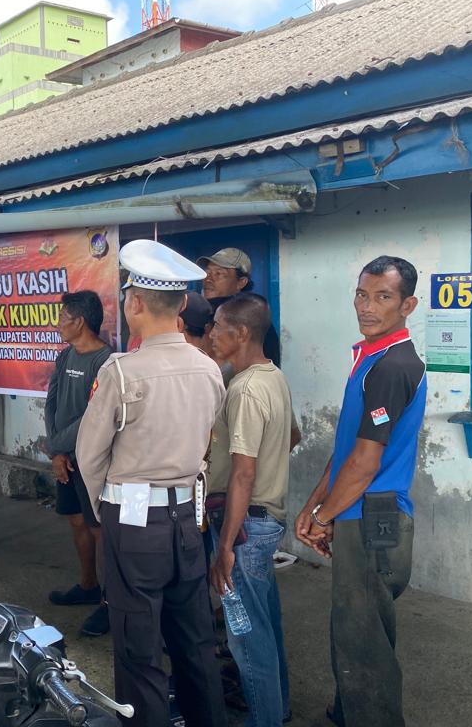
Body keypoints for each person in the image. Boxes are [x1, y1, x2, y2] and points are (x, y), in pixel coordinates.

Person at [76, 240, 227, 727]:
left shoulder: (121, 371)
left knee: (140, 650)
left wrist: (110, 509)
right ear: (183, 303)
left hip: (134, 521)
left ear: (135, 303)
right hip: (188, 517)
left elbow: (89, 454)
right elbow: (207, 440)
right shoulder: (209, 369)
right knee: (195, 640)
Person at [295, 256, 425, 727]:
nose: (368, 307)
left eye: (383, 297)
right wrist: (313, 506)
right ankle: (348, 711)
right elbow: (348, 450)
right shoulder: (370, 357)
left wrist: (324, 517)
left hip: (374, 518)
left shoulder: (393, 365)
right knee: (353, 629)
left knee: (364, 640)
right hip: (357, 511)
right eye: (362, 294)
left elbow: (367, 463)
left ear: (407, 304)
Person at [207, 293, 297, 727]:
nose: (210, 334)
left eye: (218, 326)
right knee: (265, 625)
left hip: (244, 527)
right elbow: (291, 436)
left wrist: (225, 547)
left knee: (245, 635)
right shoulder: (272, 377)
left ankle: (267, 719)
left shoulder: (244, 389)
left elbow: (243, 474)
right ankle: (278, 710)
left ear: (241, 333)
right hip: (265, 521)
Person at [45, 290, 113, 637]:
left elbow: (93, 417)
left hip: (93, 460)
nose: (58, 325)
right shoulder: (65, 355)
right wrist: (56, 453)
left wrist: (57, 446)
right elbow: (52, 402)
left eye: (62, 318)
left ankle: (109, 602)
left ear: (79, 321)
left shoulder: (107, 361)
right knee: (76, 521)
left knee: (101, 530)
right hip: (65, 458)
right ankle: (87, 585)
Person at [198, 248, 281, 366]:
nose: (208, 279)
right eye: (207, 273)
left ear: (241, 282)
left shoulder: (250, 319)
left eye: (219, 273)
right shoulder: (204, 313)